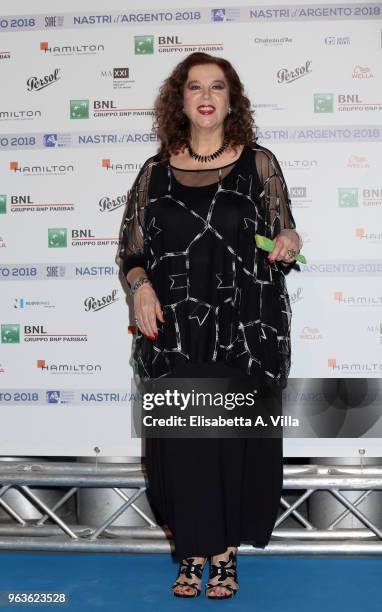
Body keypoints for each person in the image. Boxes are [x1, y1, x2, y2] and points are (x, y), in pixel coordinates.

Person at [118, 52, 302, 599]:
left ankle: (224, 555)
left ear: (231, 99)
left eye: (216, 86)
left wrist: (289, 241)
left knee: (230, 445)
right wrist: (140, 287)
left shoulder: (260, 164)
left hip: (244, 330)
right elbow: (132, 253)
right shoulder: (154, 171)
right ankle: (190, 550)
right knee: (181, 447)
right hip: (175, 331)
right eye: (194, 86)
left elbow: (283, 236)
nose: (205, 95)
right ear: (181, 100)